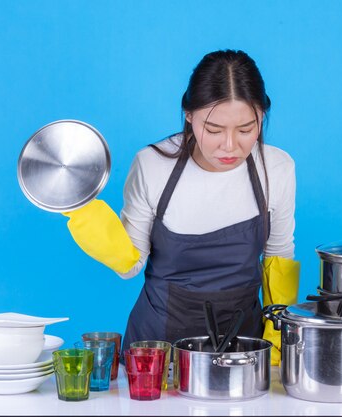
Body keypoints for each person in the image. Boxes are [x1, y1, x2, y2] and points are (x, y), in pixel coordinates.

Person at [63, 50, 299, 365]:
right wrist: (81, 209)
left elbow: (279, 259)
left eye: (246, 129)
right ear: (188, 114)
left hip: (244, 351)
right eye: (213, 129)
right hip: (157, 353)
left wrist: (280, 337)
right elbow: (128, 265)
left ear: (262, 116)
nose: (230, 145)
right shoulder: (152, 165)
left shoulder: (277, 167)